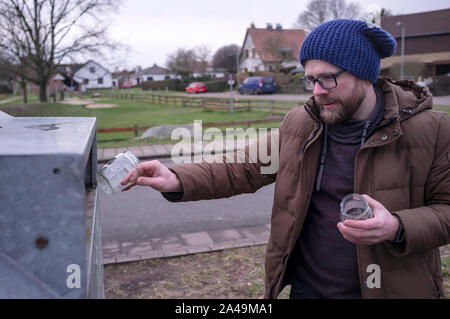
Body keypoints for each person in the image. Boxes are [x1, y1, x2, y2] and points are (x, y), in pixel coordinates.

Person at [121, 19, 450, 299]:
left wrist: (397, 226)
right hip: (307, 290)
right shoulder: (302, 124)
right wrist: (176, 178)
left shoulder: (431, 131)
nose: (317, 91)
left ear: (363, 73)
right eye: (310, 79)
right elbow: (243, 166)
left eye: (328, 78)